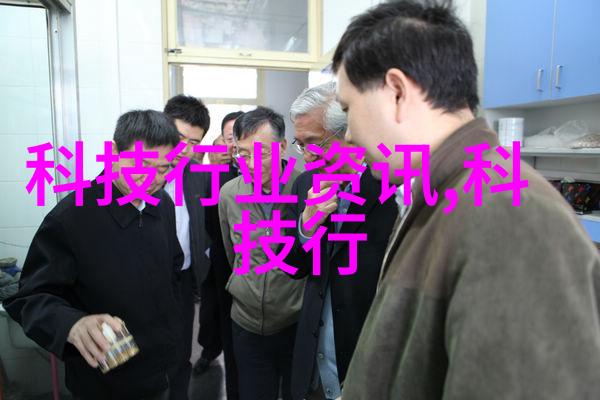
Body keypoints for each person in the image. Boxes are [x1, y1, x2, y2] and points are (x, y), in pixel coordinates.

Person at [332, 1, 600, 399]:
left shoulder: (509, 216)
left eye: (348, 108)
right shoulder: (442, 195)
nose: (348, 135)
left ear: (397, 92)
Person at [3, 110, 184, 400]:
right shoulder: (71, 217)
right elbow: (30, 297)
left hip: (160, 369)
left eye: (164, 169)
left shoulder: (162, 204)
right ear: (113, 153)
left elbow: (172, 268)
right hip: (104, 382)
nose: (152, 179)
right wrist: (72, 324)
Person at [284, 82, 397, 400]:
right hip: (314, 361)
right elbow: (292, 265)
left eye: (314, 143)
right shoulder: (306, 183)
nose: (307, 157)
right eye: (300, 145)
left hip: (365, 359)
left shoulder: (392, 187)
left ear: (351, 133)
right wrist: (307, 227)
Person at [219, 107, 304, 400]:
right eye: (243, 154)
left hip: (295, 321)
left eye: (262, 154)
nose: (252, 164)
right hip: (246, 322)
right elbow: (231, 252)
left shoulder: (304, 188)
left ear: (282, 147)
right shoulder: (229, 193)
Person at [163, 95, 212, 400]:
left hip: (182, 282)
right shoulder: (134, 174)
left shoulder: (199, 178)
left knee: (180, 355)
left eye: (194, 143)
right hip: (141, 283)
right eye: (179, 138)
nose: (184, 149)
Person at [194, 112, 243, 400]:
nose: (234, 144)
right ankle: (209, 352)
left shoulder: (265, 171)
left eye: (239, 136)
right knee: (214, 314)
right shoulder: (213, 172)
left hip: (252, 262)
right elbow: (208, 218)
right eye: (228, 138)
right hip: (218, 257)